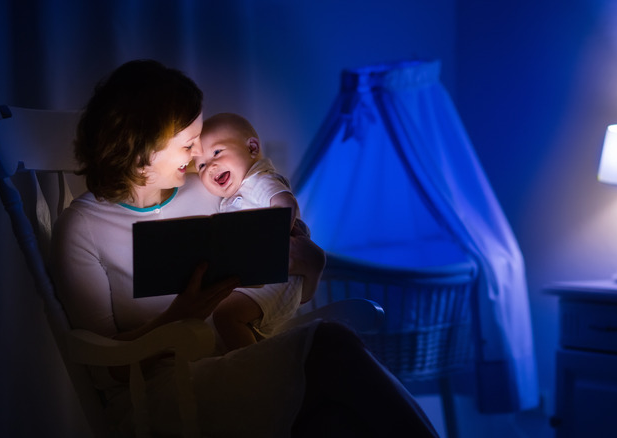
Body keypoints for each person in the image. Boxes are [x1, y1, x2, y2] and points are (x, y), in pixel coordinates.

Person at [50, 59, 438, 437]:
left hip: (237, 361)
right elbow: (103, 363)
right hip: (166, 391)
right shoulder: (83, 228)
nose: (197, 155)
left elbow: (266, 294)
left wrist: (308, 265)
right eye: (188, 146)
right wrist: (177, 317)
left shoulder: (211, 190)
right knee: (328, 345)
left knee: (333, 419)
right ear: (141, 153)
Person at [196, 112, 303, 351]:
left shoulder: (258, 181)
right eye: (200, 165)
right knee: (223, 317)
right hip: (261, 280)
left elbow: (287, 206)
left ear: (252, 148)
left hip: (274, 277)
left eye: (217, 152)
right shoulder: (237, 192)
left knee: (226, 316)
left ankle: (250, 369)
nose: (210, 166)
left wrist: (269, 247)